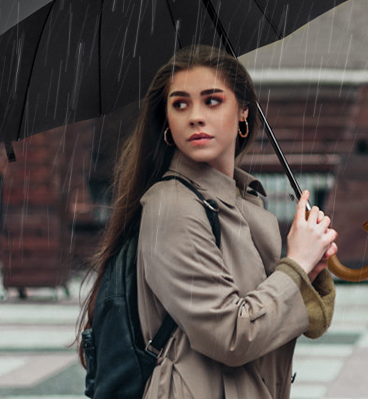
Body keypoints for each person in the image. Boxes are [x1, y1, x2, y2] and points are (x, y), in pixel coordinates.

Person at [77, 44, 338, 399]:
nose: (195, 116)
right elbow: (230, 335)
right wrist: (295, 266)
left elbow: (276, 319)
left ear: (244, 110)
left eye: (212, 100)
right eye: (180, 104)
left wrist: (307, 268)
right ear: (167, 122)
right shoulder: (172, 206)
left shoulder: (240, 199)